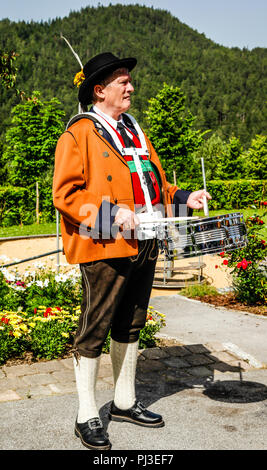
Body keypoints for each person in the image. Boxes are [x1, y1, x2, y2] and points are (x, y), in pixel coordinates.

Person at [53, 52, 211, 451]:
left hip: (146, 241)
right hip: (102, 245)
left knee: (132, 324)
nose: (130, 87)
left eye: (129, 80)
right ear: (99, 89)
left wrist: (184, 197)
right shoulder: (79, 134)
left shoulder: (135, 130)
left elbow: (152, 185)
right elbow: (65, 195)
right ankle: (86, 413)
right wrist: (111, 215)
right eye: (122, 81)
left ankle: (123, 401)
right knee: (95, 329)